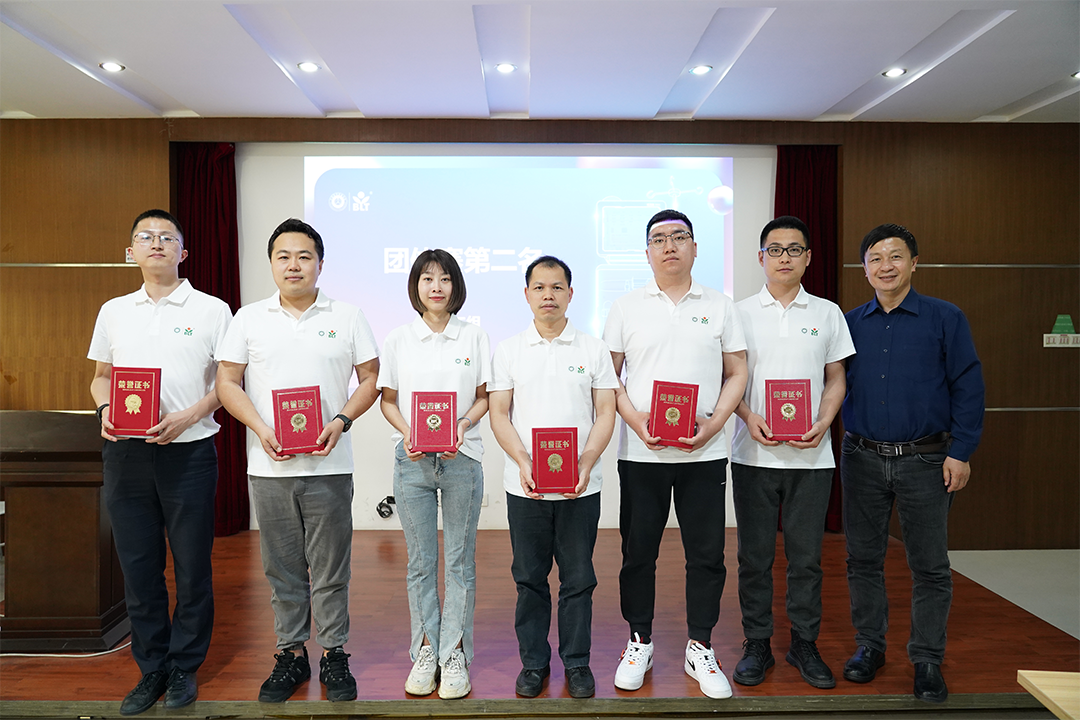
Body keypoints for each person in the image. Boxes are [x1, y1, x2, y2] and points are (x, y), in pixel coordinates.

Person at [216, 218, 380, 703]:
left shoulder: (347, 315)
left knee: (331, 569)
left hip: (330, 465)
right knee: (282, 569)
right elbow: (227, 382)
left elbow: (371, 378)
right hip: (270, 467)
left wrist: (342, 420)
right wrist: (260, 427)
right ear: (271, 264)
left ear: (320, 264)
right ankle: (290, 653)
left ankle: (333, 652)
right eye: (283, 256)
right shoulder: (248, 318)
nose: (294, 265)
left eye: (304, 256)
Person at [88, 209, 232, 715]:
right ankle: (151, 667)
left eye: (166, 237)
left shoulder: (212, 309)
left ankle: (184, 666)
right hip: (126, 453)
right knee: (139, 568)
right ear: (130, 251)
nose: (156, 243)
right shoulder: (114, 310)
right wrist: (104, 409)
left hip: (189, 453)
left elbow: (228, 383)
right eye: (145, 237)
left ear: (182, 252)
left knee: (192, 568)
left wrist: (189, 415)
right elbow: (101, 377)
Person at [602, 209, 748, 699]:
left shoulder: (720, 306)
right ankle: (639, 641)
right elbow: (609, 377)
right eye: (659, 239)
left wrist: (715, 424)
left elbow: (737, 372)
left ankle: (700, 646)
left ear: (695, 248)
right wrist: (636, 421)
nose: (670, 246)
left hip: (704, 454)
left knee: (706, 554)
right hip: (642, 454)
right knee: (637, 553)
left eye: (679, 237)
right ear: (647, 252)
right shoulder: (626, 307)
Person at [841, 223, 984, 703]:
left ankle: (926, 659)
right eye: (875, 259)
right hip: (861, 456)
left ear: (914, 263)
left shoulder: (945, 318)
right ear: (864, 269)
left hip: (926, 459)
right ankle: (870, 646)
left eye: (895, 256)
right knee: (863, 560)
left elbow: (968, 386)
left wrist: (961, 451)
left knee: (930, 565)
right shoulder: (849, 323)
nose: (886, 266)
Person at [729, 216, 855, 689]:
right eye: (775, 249)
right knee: (754, 558)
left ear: (808, 258)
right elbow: (728, 380)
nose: (785, 257)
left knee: (806, 560)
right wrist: (747, 416)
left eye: (794, 249)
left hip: (812, 458)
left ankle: (804, 642)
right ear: (761, 257)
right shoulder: (738, 313)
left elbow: (837, 378)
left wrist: (824, 422)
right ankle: (757, 643)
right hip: (752, 455)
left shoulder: (828, 313)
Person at [489, 256, 618, 699]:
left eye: (557, 287)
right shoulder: (509, 350)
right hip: (524, 486)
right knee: (529, 578)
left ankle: (577, 662)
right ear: (527, 294)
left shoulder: (593, 349)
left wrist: (587, 461)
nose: (549, 295)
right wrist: (523, 461)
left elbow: (606, 411)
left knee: (579, 579)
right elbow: (499, 414)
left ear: (570, 294)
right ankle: (533, 663)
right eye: (540, 287)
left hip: (581, 486)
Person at [377, 250, 490, 699]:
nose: (436, 287)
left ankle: (455, 652)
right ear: (416, 286)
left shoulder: (474, 336)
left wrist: (463, 423)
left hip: (463, 458)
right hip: (413, 462)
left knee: (460, 562)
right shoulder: (399, 339)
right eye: (427, 278)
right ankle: (426, 648)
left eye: (445, 278)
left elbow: (484, 397)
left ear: (456, 286)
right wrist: (409, 432)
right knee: (421, 563)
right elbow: (388, 401)